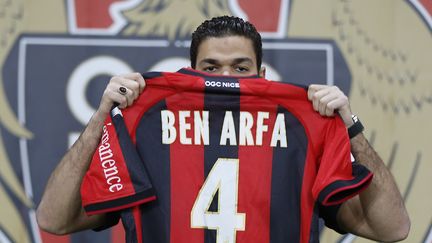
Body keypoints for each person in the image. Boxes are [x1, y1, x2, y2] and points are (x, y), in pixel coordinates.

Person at [36, 16, 410, 242]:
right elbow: (53, 219)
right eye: (211, 68)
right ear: (190, 72)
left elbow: (392, 229)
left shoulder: (302, 127)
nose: (226, 78)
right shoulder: (144, 122)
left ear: (262, 75)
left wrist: (350, 127)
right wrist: (104, 115)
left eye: (241, 67)